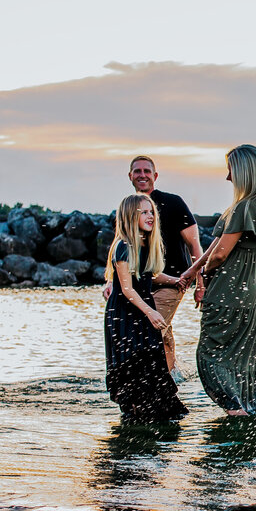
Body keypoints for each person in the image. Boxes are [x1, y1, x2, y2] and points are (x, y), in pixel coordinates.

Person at [179, 145, 256, 416]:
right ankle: (249, 413)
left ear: (245, 172)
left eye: (231, 170)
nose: (227, 177)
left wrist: (205, 275)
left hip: (230, 289)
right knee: (242, 356)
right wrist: (192, 271)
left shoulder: (243, 207)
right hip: (252, 289)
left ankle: (236, 412)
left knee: (209, 355)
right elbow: (215, 246)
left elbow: (220, 254)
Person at [107, 156, 204, 378]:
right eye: (137, 171)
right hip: (141, 284)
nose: (142, 175)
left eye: (147, 171)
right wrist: (111, 282)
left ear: (155, 176)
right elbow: (120, 250)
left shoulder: (173, 203)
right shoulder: (129, 207)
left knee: (151, 330)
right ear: (130, 176)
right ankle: (172, 376)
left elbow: (194, 245)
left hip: (173, 281)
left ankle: (152, 380)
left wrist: (200, 284)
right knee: (162, 330)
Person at [103, 194, 189, 422]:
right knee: (132, 363)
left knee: (152, 358)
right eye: (144, 212)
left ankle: (157, 413)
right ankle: (136, 414)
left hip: (142, 309)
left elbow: (149, 275)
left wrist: (175, 281)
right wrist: (151, 312)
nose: (150, 216)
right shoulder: (123, 246)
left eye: (151, 212)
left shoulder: (145, 243)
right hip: (125, 313)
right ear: (130, 216)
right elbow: (127, 289)